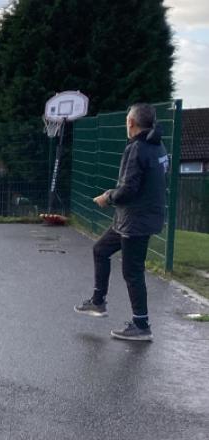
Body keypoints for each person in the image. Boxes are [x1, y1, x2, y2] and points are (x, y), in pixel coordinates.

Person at [75, 103, 169, 342]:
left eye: (127, 120)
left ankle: (141, 324)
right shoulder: (158, 147)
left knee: (132, 271)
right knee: (101, 249)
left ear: (131, 123)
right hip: (135, 218)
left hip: (136, 221)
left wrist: (108, 197)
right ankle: (98, 302)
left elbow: (129, 188)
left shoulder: (137, 148)